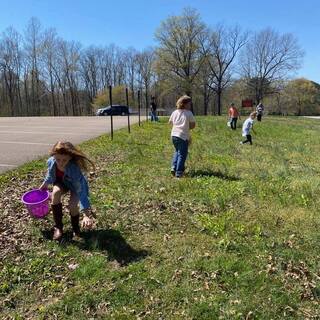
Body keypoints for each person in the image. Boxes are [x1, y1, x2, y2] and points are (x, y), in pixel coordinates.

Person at [39, 141, 95, 241]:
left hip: (74, 186)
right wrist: (45, 184)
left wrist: (86, 214)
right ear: (53, 156)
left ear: (70, 157)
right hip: (61, 183)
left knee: (73, 205)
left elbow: (81, 191)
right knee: (55, 193)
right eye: (58, 159)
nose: (61, 162)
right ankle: (58, 227)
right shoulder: (52, 162)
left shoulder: (74, 169)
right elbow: (50, 174)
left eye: (64, 160)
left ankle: (76, 229)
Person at [169, 95, 196, 178]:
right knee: (182, 154)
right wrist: (187, 127)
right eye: (189, 104)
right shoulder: (189, 113)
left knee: (177, 151)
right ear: (185, 104)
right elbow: (193, 125)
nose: (190, 105)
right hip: (183, 136)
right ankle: (179, 173)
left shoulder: (175, 112)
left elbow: (170, 122)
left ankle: (174, 167)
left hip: (174, 135)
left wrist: (177, 125)